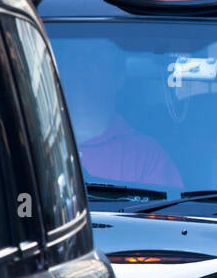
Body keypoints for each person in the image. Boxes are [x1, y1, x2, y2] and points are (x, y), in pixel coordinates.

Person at [63, 56, 183, 189]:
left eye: (94, 60)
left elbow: (169, 208)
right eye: (72, 60)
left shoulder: (147, 157)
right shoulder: (39, 144)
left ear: (119, 78)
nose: (81, 72)